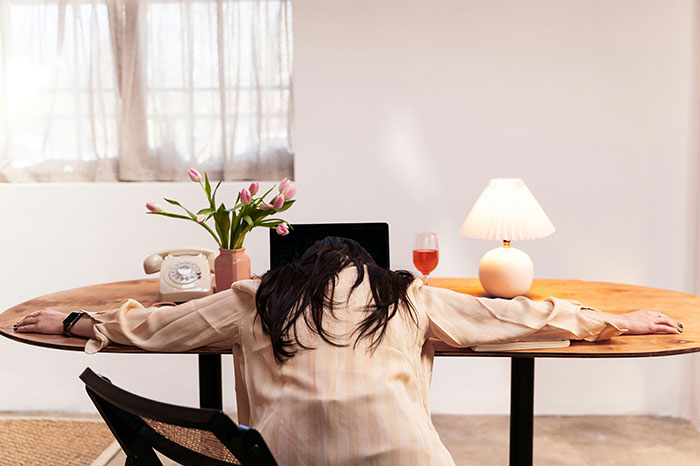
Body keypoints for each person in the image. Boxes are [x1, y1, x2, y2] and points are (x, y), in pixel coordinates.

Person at [14, 237, 682, 466]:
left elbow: (157, 327)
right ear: (368, 267)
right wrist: (610, 320)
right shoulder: (408, 293)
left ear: (300, 270)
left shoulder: (259, 295)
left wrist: (75, 319)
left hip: (278, 462)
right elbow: (508, 316)